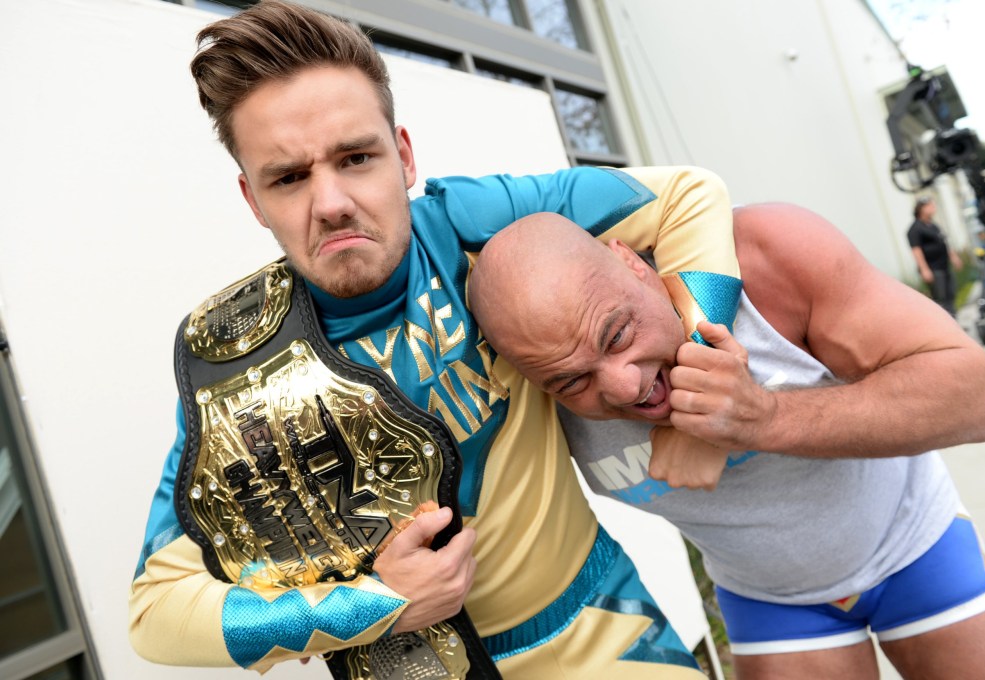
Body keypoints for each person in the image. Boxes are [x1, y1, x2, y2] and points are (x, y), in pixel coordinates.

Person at [127, 2, 743, 678]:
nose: (331, 201)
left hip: (608, 636)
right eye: (289, 177)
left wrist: (696, 381)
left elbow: (689, 195)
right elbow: (155, 610)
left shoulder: (468, 226)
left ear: (405, 156)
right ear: (253, 199)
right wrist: (368, 606)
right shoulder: (240, 365)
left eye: (356, 157)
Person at [468, 207, 985, 680]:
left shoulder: (764, 260)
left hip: (915, 544)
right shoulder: (525, 398)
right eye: (573, 382)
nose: (625, 385)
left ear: (633, 264)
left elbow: (983, 401)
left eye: (617, 334)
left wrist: (766, 418)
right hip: (770, 601)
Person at [907, 196, 963, 317]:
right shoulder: (915, 229)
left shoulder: (933, 226)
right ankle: (946, 328)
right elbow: (916, 250)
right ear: (921, 209)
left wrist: (953, 257)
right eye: (930, 206)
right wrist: (924, 269)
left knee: (950, 294)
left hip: (944, 266)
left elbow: (944, 242)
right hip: (933, 268)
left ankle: (954, 322)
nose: (933, 208)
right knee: (940, 298)